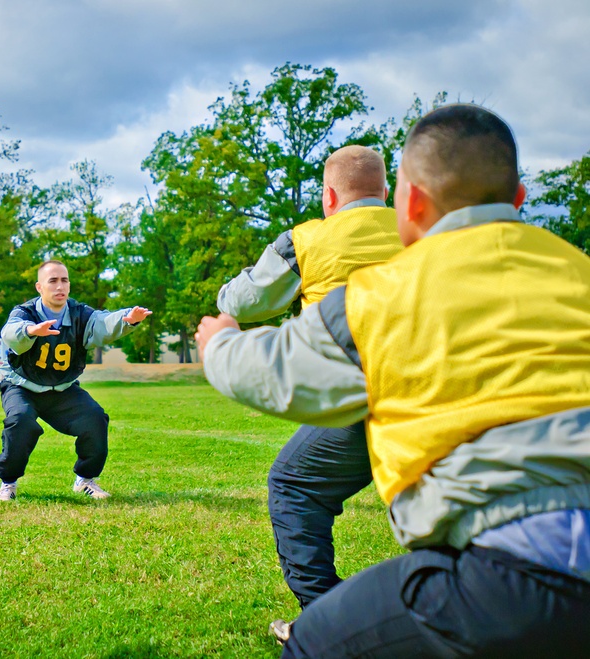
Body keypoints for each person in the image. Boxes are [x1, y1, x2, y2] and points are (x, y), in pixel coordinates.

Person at [196, 104, 590, 657]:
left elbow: (270, 368)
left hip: (515, 577)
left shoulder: (380, 288)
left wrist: (219, 343)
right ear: (518, 199)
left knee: (298, 504)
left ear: (412, 202)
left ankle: (317, 612)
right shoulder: (576, 267)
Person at [217, 145, 402, 613]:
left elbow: (239, 304)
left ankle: (325, 617)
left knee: (294, 485)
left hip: (362, 398)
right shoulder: (421, 231)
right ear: (387, 191)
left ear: (329, 198)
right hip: (438, 393)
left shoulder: (306, 240)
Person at [0, 260, 151, 501]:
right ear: (39, 287)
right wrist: (31, 331)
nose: (60, 286)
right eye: (53, 281)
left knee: (95, 418)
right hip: (22, 386)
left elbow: (102, 322)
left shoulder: (79, 314)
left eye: (64, 280)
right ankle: (8, 483)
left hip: (63, 389)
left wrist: (126, 319)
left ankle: (85, 480)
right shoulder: (24, 312)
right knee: (20, 421)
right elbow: (10, 332)